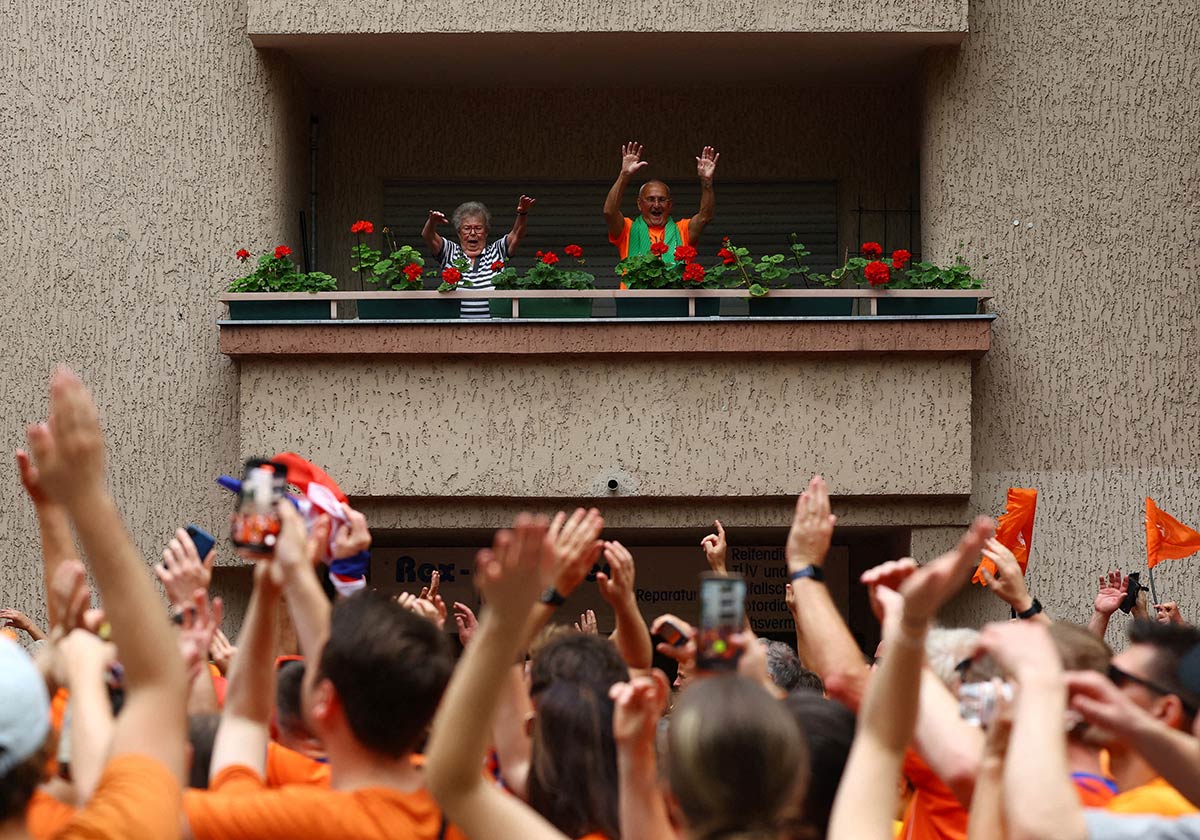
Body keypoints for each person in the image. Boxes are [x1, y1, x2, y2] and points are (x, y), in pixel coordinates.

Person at [422, 196, 536, 320]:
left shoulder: (497, 250)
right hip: (456, 327)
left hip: (494, 327)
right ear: (459, 233)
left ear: (486, 232)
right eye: (467, 228)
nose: (472, 233)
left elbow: (517, 234)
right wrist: (432, 222)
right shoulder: (450, 251)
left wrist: (522, 213)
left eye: (478, 228)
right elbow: (428, 235)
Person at [603, 141, 718, 262]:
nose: (656, 205)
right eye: (650, 199)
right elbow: (609, 212)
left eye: (662, 200)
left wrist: (707, 182)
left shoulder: (683, 230)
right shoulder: (627, 229)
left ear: (670, 204)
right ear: (639, 204)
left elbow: (705, 217)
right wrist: (624, 175)